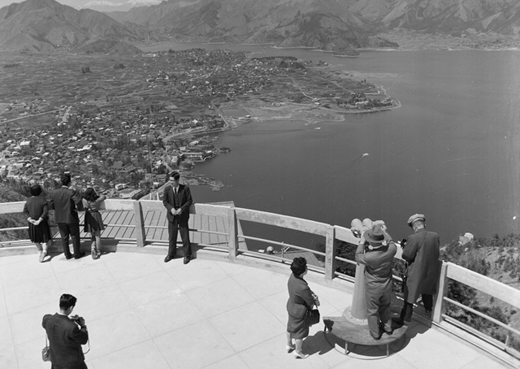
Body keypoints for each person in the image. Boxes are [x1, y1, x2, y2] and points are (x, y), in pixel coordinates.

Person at [394, 213, 441, 325]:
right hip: (430, 272)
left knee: (409, 296)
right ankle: (428, 311)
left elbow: (407, 256)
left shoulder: (413, 238)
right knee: (427, 291)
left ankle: (405, 319)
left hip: (416, 273)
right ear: (424, 224)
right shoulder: (435, 236)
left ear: (414, 227)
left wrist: (405, 247)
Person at [355, 223, 397, 340]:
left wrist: (362, 242)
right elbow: (391, 241)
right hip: (387, 283)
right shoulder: (392, 249)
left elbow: (358, 257)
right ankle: (388, 327)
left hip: (373, 286)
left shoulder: (369, 257)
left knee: (372, 311)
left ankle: (375, 334)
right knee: (385, 306)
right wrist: (384, 232)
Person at [42, 294, 89, 369]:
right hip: (73, 365)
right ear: (71, 308)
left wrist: (68, 321)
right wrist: (83, 326)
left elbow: (56, 326)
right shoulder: (72, 327)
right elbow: (83, 339)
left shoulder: (47, 319)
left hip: (56, 362)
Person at [286, 257, 319, 359]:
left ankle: (289, 345)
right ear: (303, 271)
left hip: (291, 306)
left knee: (290, 327)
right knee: (299, 333)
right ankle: (298, 351)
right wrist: (315, 299)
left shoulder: (292, 277)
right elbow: (309, 301)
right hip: (299, 311)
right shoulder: (303, 286)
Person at [49, 173, 85, 260]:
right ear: (69, 182)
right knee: (75, 236)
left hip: (60, 218)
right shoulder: (71, 192)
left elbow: (51, 205)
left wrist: (58, 209)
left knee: (64, 237)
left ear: (61, 182)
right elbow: (78, 202)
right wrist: (78, 209)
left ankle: (67, 255)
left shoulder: (54, 193)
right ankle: (77, 254)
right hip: (71, 217)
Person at [162, 171, 193, 264]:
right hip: (172, 216)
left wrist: (182, 209)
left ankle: (187, 255)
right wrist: (171, 209)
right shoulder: (167, 189)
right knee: (172, 236)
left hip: (182, 216)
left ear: (177, 180)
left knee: (185, 236)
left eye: (172, 180)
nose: (170, 182)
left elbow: (189, 201)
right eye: (170, 180)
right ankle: (171, 254)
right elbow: (165, 201)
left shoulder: (185, 189)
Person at [23, 183, 52, 262]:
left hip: (32, 223)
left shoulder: (28, 201)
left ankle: (39, 251)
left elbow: (25, 211)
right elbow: (45, 212)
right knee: (44, 239)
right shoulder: (43, 200)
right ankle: (44, 252)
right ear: (40, 191)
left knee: (36, 239)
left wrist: (30, 219)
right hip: (42, 223)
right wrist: (39, 220)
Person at [82, 188, 106, 260]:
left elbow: (84, 207)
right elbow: (104, 196)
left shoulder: (84, 200)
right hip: (95, 215)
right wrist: (98, 193)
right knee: (97, 235)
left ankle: (93, 248)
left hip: (88, 216)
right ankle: (98, 251)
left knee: (92, 234)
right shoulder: (97, 200)